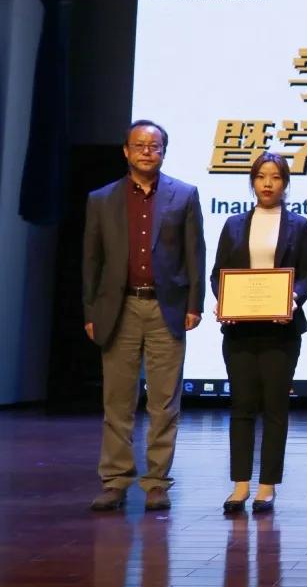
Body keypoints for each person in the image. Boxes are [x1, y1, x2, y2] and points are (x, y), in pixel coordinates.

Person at [82, 119, 206, 511]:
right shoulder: (102, 199)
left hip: (166, 308)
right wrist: (91, 311)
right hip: (118, 309)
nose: (147, 152)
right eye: (139, 146)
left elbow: (195, 254)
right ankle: (115, 481)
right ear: (126, 151)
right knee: (117, 402)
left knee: (164, 402)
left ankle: (156, 482)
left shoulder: (184, 195)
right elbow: (91, 261)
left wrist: (194, 304)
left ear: (163, 152)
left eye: (154, 146)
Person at [211, 152, 307, 514]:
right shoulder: (234, 224)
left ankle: (267, 485)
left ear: (285, 183)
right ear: (252, 181)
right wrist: (224, 300)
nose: (267, 183)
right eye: (261, 176)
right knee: (241, 406)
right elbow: (218, 274)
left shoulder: (299, 225)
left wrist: (293, 299)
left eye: (275, 177)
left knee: (274, 408)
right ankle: (240, 484)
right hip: (239, 330)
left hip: (281, 331)